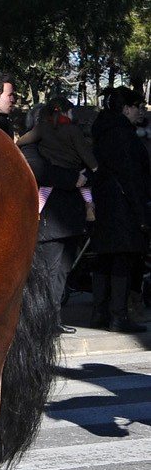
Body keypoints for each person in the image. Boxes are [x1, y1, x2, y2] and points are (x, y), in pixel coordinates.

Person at [89, 87, 150, 333]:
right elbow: (133, 177)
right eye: (138, 106)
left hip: (104, 204)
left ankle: (99, 313)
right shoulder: (125, 136)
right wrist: (143, 213)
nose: (141, 111)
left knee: (104, 260)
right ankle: (119, 315)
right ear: (126, 109)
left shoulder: (102, 132)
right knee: (123, 261)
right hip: (124, 208)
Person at [18, 141, 87, 334]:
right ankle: (44, 320)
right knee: (48, 272)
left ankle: (53, 318)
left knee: (61, 271)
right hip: (48, 222)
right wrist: (72, 177)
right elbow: (40, 171)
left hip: (70, 221)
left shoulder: (68, 147)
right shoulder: (33, 148)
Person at [17, 95, 96, 219]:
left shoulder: (42, 130)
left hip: (54, 167)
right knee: (85, 186)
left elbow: (24, 140)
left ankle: (36, 211)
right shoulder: (73, 130)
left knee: (44, 190)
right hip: (73, 169)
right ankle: (89, 204)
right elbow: (84, 151)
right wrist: (93, 167)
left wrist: (16, 143)